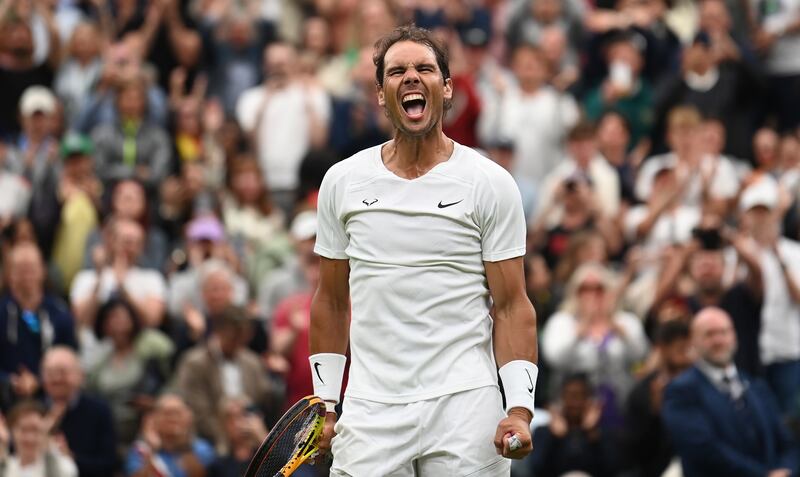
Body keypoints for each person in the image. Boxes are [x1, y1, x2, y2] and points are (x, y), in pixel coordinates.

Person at [310, 25, 538, 476]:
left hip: (465, 404)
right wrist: (324, 404)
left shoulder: (489, 182)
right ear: (380, 93)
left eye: (424, 68)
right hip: (371, 407)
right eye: (397, 71)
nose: (411, 77)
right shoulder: (342, 181)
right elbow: (332, 302)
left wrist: (518, 409)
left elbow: (512, 304)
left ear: (447, 88)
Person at [662, 307, 799, 477]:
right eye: (709, 334)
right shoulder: (680, 392)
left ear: (734, 336)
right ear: (693, 341)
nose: (718, 340)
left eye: (724, 332)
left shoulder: (756, 385)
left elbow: (786, 441)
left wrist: (786, 470)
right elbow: (705, 451)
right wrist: (763, 475)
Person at [173, 306, 273, 446]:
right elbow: (198, 413)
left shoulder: (253, 363)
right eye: (233, 338)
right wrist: (229, 436)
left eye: (243, 338)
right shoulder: (194, 363)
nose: (238, 343)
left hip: (250, 439)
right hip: (210, 441)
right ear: (218, 331)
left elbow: (261, 403)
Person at [0, 242, 77, 402]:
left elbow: (71, 355)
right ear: (9, 274)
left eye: (31, 269)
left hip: (51, 395)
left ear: (42, 270)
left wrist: (40, 381)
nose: (26, 276)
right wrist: (9, 380)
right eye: (20, 270)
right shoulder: (2, 312)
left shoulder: (59, 312)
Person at [623, 320, 693, 477]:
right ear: (663, 348)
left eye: (691, 348)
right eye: (681, 349)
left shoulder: (705, 384)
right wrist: (655, 413)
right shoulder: (643, 392)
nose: (688, 355)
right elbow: (635, 451)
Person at [40, 346, 117, 477]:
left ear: (80, 375)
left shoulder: (99, 411)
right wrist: (42, 432)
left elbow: (108, 464)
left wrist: (70, 458)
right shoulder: (32, 409)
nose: (57, 379)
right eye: (50, 373)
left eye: (63, 372)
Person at [529, 373, 621, 477]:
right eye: (569, 396)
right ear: (562, 398)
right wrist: (554, 438)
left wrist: (592, 435)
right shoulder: (544, 431)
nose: (574, 403)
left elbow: (613, 469)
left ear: (589, 400)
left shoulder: (604, 433)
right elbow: (536, 469)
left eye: (579, 396)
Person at [125, 394, 215, 477]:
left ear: (189, 417)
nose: (172, 418)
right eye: (167, 413)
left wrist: (183, 446)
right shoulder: (141, 450)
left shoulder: (201, 447)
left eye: (177, 413)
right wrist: (152, 450)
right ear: (155, 418)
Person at [0, 400, 78, 477]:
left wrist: (49, 444)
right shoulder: (7, 466)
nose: (29, 438)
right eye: (23, 430)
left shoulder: (64, 465)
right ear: (12, 431)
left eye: (35, 430)